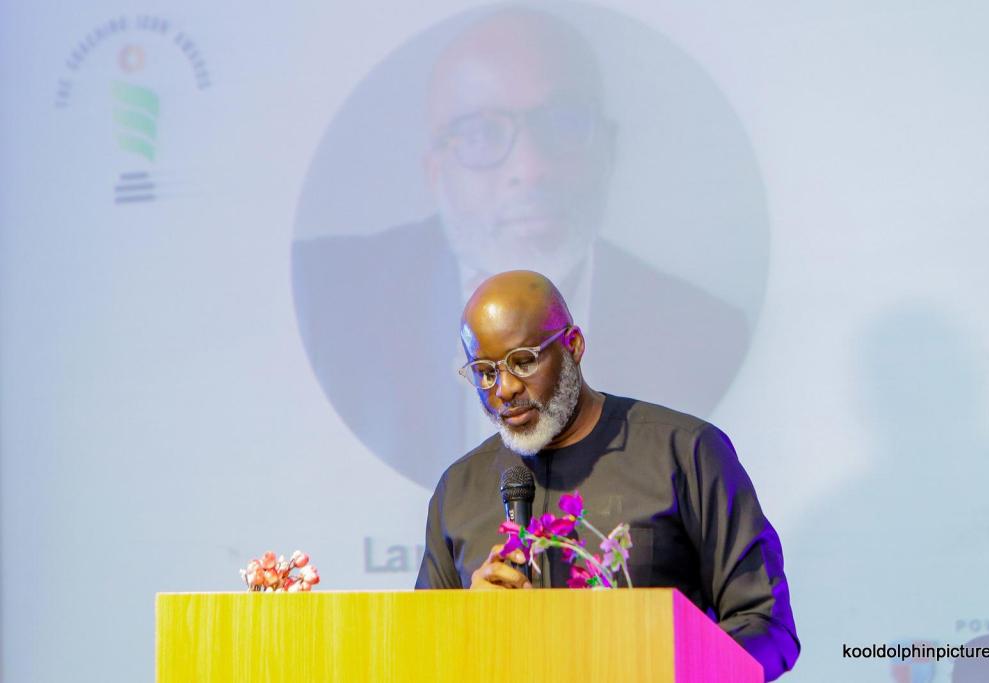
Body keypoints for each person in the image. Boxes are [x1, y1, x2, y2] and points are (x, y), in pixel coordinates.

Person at [291, 7, 749, 489]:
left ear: (608, 152)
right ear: (435, 172)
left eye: (565, 124)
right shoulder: (330, 304)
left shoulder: (706, 336)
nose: (531, 168)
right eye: (482, 133)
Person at [415, 271, 799, 681]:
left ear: (574, 345)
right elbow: (417, 656)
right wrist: (466, 626)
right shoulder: (457, 489)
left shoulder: (685, 452)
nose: (504, 388)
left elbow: (765, 625)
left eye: (523, 361)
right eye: (485, 371)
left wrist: (662, 669)